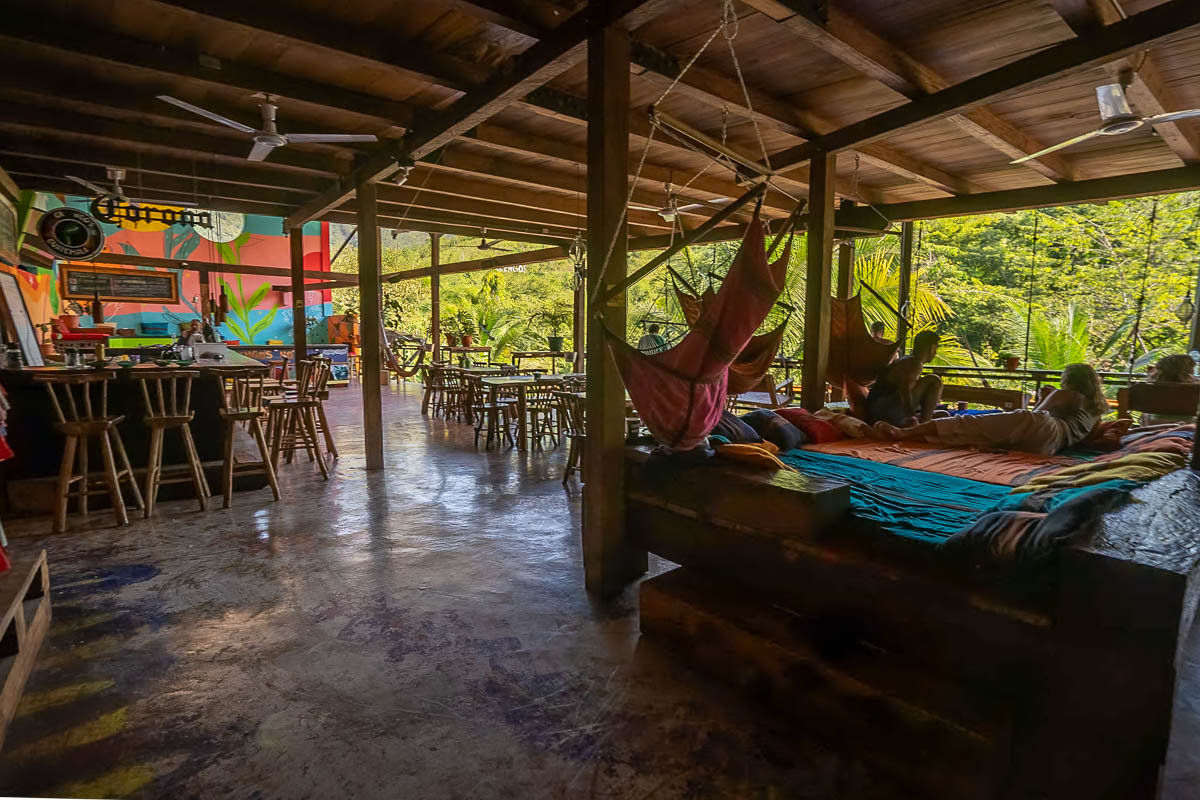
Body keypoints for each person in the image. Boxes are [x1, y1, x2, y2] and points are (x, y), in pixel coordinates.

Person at [874, 363, 1108, 455]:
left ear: (1070, 379)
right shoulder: (1097, 409)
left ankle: (903, 433)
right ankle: (923, 435)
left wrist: (1042, 396)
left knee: (973, 424)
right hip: (1050, 447)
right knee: (980, 435)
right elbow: (1089, 435)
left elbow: (1037, 413)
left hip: (1046, 429)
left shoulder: (1065, 395)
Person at [863, 330, 943, 427]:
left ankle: (923, 422)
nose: (935, 353)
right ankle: (923, 426)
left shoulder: (907, 360)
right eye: (935, 349)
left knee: (943, 414)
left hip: (877, 410)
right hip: (883, 410)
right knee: (934, 380)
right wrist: (911, 417)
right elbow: (904, 390)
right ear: (930, 347)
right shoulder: (914, 364)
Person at [1143, 353, 1197, 426]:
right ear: (1187, 369)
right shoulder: (1194, 389)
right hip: (1188, 424)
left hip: (1154, 423)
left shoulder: (1148, 387)